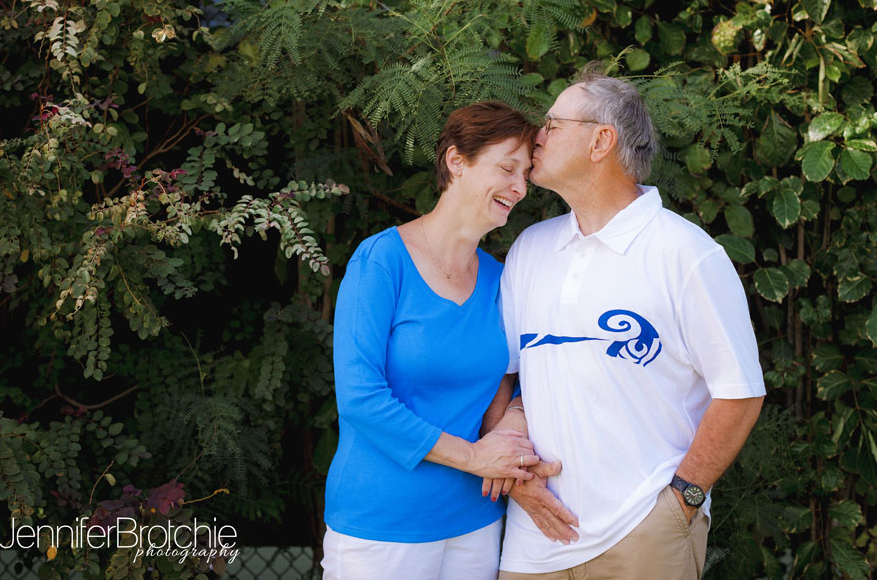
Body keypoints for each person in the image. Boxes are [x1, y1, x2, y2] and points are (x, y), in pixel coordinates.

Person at [496, 64, 766, 580]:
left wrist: (681, 501)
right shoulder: (530, 249)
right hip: (534, 542)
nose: (538, 136)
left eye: (553, 124)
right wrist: (514, 462)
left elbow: (741, 392)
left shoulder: (686, 253)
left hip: (643, 538)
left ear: (601, 140)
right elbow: (510, 374)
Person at [321, 101, 542, 580]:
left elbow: (530, 371)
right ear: (456, 161)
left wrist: (513, 421)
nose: (520, 188)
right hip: (382, 525)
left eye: (526, 174)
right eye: (507, 168)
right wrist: (475, 457)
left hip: (476, 521)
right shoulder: (381, 261)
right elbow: (360, 399)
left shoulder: (502, 280)